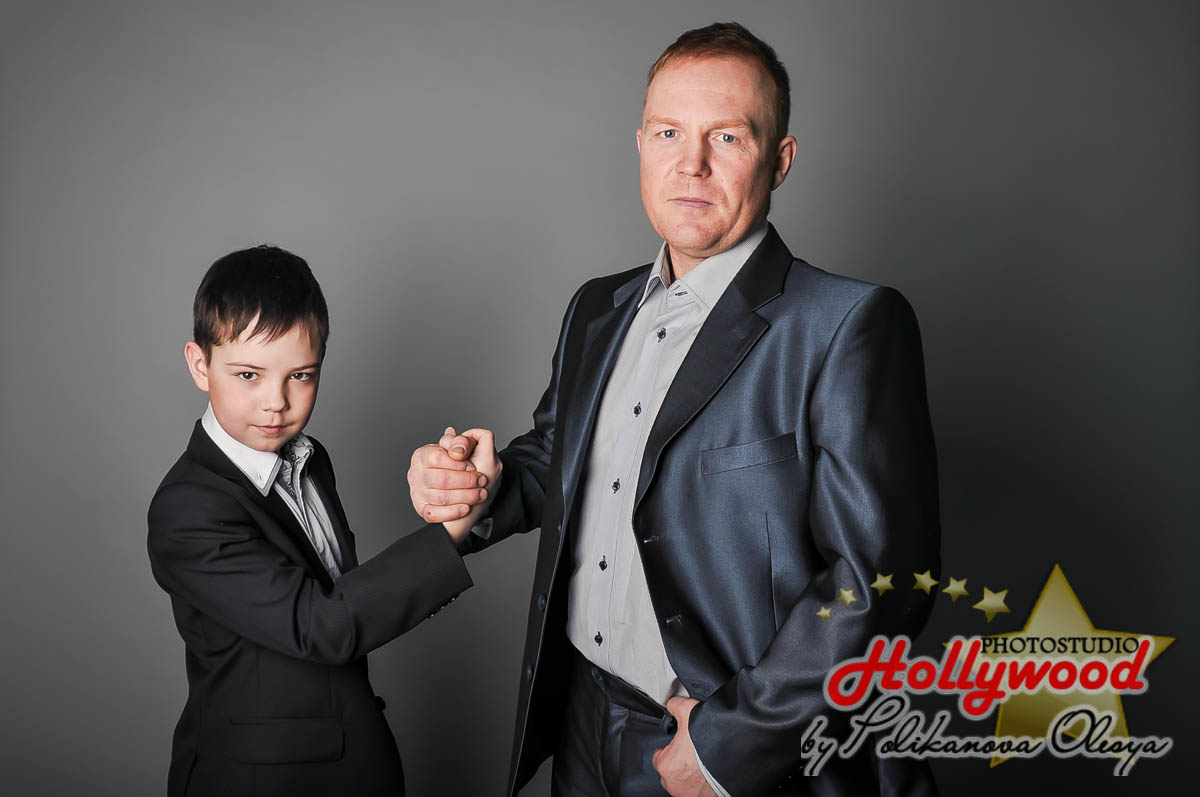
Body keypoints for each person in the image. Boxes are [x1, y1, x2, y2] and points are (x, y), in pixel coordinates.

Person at [408, 22, 940, 796]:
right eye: (668, 132)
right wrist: (480, 487)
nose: (691, 163)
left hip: (719, 744)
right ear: (641, 145)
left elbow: (882, 582)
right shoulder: (597, 307)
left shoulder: (847, 325)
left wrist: (731, 745)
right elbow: (558, 458)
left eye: (727, 136)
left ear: (780, 159)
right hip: (581, 720)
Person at [148, 245, 478, 796]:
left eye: (300, 375)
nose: (275, 402)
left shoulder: (309, 458)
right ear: (200, 365)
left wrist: (458, 485)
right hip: (260, 782)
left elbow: (340, 589)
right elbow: (321, 624)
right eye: (248, 374)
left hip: (347, 762)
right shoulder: (187, 509)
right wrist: (448, 534)